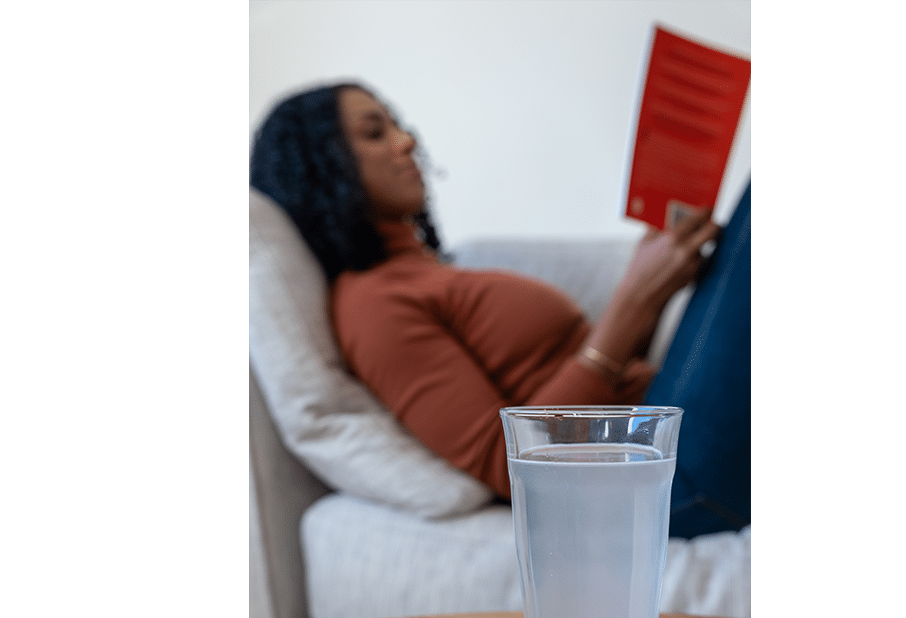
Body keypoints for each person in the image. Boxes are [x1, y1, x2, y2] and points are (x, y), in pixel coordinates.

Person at [250, 82, 749, 538]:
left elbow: (600, 380)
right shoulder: (371, 304)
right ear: (322, 168)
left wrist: (652, 289)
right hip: (650, 482)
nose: (405, 142)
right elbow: (507, 463)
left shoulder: (433, 274)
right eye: (375, 132)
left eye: (398, 125)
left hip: (658, 434)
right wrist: (633, 301)